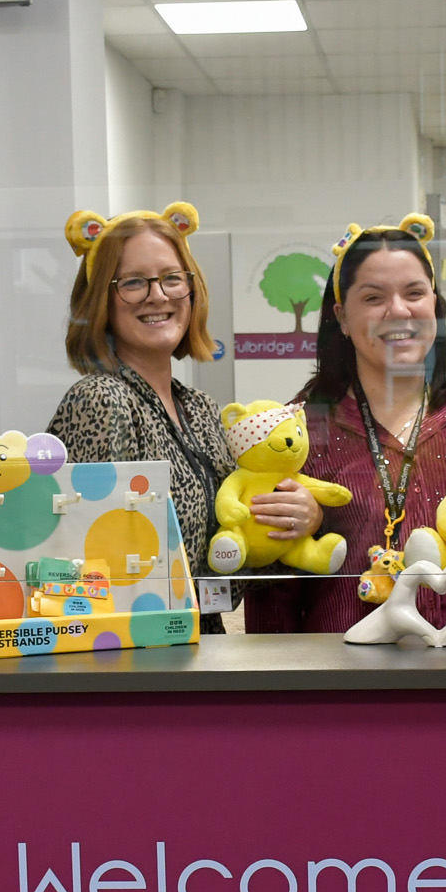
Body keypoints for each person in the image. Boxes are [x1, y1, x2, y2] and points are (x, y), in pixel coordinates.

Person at [242, 216, 446, 634]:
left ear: (435, 305)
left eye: (415, 293)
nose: (399, 310)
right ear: (342, 318)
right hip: (343, 667)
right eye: (373, 297)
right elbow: (273, 595)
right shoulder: (297, 432)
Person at [46, 203, 264, 635]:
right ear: (100, 301)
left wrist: (278, 522)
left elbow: (218, 572)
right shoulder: (102, 401)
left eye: (171, 278)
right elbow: (101, 575)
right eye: (133, 282)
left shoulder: (200, 408)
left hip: (197, 644)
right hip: (136, 656)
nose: (158, 295)